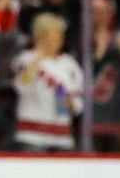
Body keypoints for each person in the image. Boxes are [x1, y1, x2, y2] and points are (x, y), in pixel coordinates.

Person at [16, 12, 84, 151]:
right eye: (55, 33)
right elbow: (21, 86)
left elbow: (78, 101)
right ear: (41, 34)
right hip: (32, 136)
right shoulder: (25, 59)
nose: (60, 37)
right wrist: (38, 58)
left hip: (62, 137)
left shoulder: (70, 64)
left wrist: (71, 104)